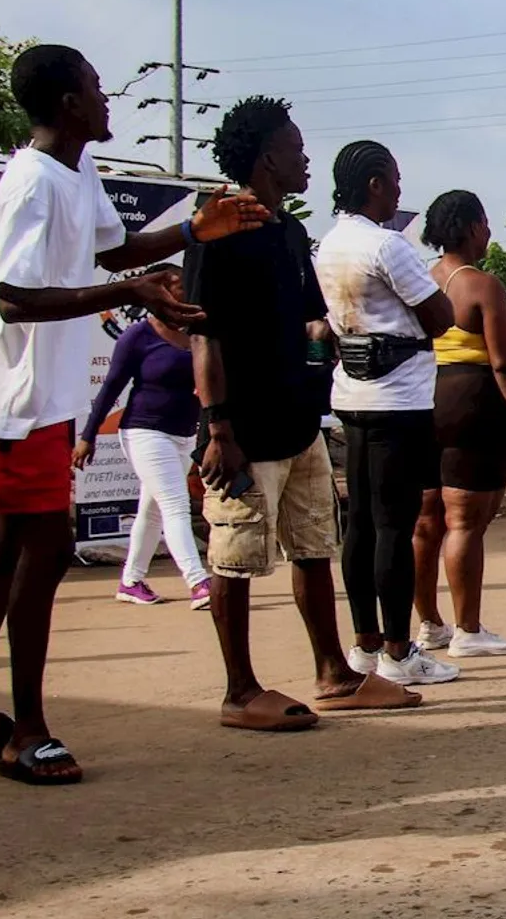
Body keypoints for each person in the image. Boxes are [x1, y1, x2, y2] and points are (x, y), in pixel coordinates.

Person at [0, 45, 264, 782]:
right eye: (95, 87)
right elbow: (13, 297)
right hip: (13, 398)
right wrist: (135, 293)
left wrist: (193, 231)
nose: (106, 98)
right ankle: (27, 731)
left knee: (13, 544)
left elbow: (114, 254)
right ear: (67, 104)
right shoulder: (31, 183)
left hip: (39, 398)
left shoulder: (78, 174)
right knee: (42, 548)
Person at [189, 97, 420, 730]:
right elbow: (204, 337)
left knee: (314, 547)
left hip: (298, 424)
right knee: (233, 559)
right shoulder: (217, 232)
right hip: (244, 433)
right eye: (296, 148)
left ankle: (334, 674)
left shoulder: (290, 233)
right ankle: (240, 690)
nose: (306, 158)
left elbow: (308, 320)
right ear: (268, 158)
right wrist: (218, 428)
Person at [316, 141, 460, 687]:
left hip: (351, 396)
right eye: (394, 179)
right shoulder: (387, 246)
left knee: (360, 525)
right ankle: (400, 652)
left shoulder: (330, 244)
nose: (400, 189)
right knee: (394, 527)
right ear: (375, 184)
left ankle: (363, 643)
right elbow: (441, 315)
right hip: (399, 399)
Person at [412, 190, 506, 658]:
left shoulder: (422, 281)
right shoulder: (482, 286)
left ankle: (429, 625)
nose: (488, 233)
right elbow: (505, 364)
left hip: (423, 401)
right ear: (468, 227)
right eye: (484, 224)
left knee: (425, 522)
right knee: (465, 520)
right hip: (472, 404)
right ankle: (468, 630)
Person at [73, 277, 210, 607]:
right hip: (144, 432)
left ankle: (131, 581)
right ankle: (199, 582)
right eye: (176, 284)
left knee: (152, 512)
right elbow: (110, 388)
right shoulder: (138, 335)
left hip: (183, 434)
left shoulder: (197, 332)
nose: (184, 289)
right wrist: (88, 436)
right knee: (175, 506)